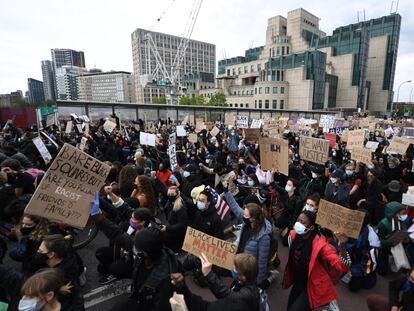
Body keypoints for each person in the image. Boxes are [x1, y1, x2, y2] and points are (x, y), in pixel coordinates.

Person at [283, 210, 351, 311]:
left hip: (312, 284)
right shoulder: (293, 235)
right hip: (298, 280)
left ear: (311, 227)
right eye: (298, 220)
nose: (298, 224)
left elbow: (344, 266)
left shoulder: (321, 246)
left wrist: (343, 247)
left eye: (303, 222)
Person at [112, 227, 179, 311]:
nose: (134, 249)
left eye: (137, 247)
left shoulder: (164, 282)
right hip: (139, 298)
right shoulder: (146, 252)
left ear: (145, 253)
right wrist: (99, 219)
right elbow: (117, 234)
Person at [171, 253, 260, 311]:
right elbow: (222, 270)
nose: (232, 269)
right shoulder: (245, 281)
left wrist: (208, 274)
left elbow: (229, 295)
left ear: (243, 277)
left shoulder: (247, 295)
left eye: (234, 269)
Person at [223, 184, 272, 286]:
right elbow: (235, 206)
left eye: (245, 215)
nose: (242, 217)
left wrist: (258, 282)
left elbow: (261, 262)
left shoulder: (264, 237)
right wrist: (226, 192)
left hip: (248, 273)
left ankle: (269, 278)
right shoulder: (247, 223)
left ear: (253, 218)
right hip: (239, 264)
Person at [346, 210, 381, 292]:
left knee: (354, 288)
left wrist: (356, 271)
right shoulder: (351, 226)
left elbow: (372, 262)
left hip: (363, 262)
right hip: (352, 255)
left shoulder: (372, 238)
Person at [377, 202, 413, 274]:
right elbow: (379, 239)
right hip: (386, 247)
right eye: (400, 214)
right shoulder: (383, 224)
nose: (402, 216)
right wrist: (389, 242)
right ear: (392, 214)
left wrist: (405, 239)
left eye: (403, 214)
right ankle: (382, 271)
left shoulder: (402, 221)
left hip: (398, 245)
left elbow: (404, 230)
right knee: (383, 260)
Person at [161, 186, 189, 253]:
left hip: (176, 234)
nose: (170, 196)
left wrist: (167, 228)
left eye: (172, 195)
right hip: (171, 228)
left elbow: (181, 224)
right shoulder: (170, 202)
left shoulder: (180, 207)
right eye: (169, 194)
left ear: (177, 194)